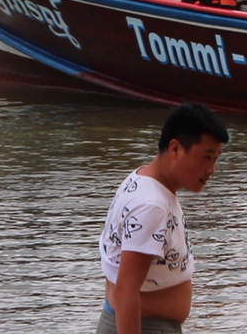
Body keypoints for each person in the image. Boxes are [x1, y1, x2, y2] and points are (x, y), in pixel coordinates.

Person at [96, 103, 228, 334]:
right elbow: (125, 291)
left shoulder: (141, 179)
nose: (211, 169)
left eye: (215, 159)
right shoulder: (151, 206)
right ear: (175, 149)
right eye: (206, 157)